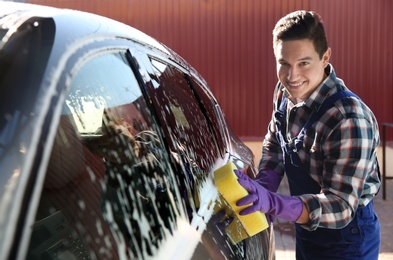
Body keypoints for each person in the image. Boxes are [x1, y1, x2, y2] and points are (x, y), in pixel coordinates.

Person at [234, 10, 381, 259]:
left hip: (347, 239)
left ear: (325, 58)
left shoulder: (348, 118)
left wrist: (274, 203)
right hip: (306, 227)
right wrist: (265, 181)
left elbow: (341, 206)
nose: (292, 76)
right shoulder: (285, 91)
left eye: (304, 63)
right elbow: (276, 142)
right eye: (284, 64)